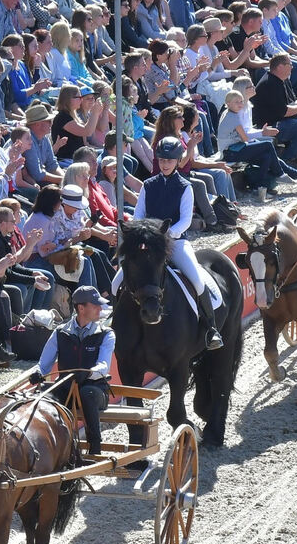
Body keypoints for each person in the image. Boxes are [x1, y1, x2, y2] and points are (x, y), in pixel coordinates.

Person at [124, 136, 222, 350]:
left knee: (197, 281)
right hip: (148, 245)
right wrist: (140, 235)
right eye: (161, 160)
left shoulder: (185, 186)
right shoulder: (148, 185)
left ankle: (211, 328)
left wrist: (165, 236)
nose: (165, 164)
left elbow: (185, 220)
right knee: (117, 282)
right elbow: (138, 215)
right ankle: (117, 324)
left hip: (176, 242)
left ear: (178, 161)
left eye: (169, 160)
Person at [30, 285, 112, 456]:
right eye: (95, 305)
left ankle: (95, 446)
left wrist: (88, 372)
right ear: (81, 308)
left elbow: (104, 366)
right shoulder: (59, 332)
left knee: (87, 393)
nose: (100, 309)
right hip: (66, 389)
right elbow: (43, 364)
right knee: (42, 393)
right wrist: (37, 373)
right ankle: (48, 446)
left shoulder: (107, 334)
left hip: (96, 390)